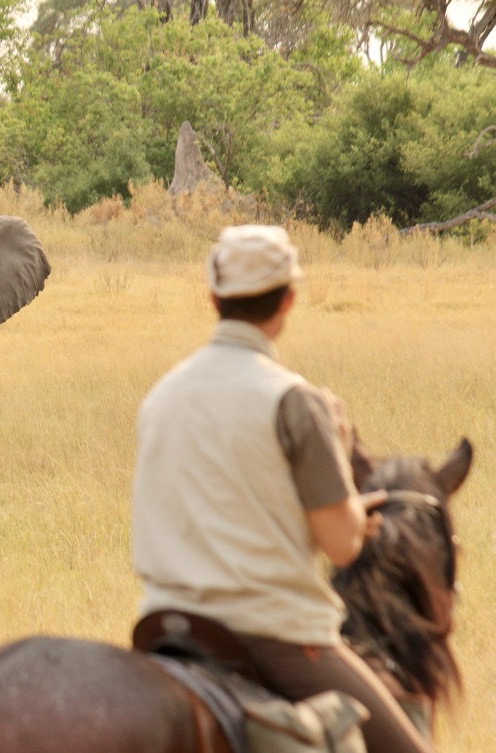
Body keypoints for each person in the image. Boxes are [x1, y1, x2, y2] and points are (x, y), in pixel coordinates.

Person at [131, 225, 434, 753]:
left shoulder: (161, 395)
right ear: (289, 299)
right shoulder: (295, 401)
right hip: (272, 634)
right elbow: (341, 544)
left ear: (213, 298)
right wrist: (349, 493)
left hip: (162, 623)